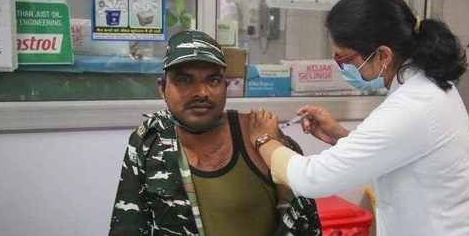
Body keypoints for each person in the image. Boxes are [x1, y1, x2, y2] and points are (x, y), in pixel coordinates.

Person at [248, 0, 469, 235]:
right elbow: (401, 151)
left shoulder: (412, 106)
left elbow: (312, 179)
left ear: (383, 55)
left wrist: (264, 139)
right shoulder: (426, 85)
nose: (342, 67)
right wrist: (341, 136)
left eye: (345, 60)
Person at [109, 30, 321, 235]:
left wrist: (271, 144)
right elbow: (128, 227)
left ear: (225, 86)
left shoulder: (262, 137)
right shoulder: (149, 141)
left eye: (213, 80)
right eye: (184, 80)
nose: (201, 92)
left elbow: (305, 226)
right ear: (162, 88)